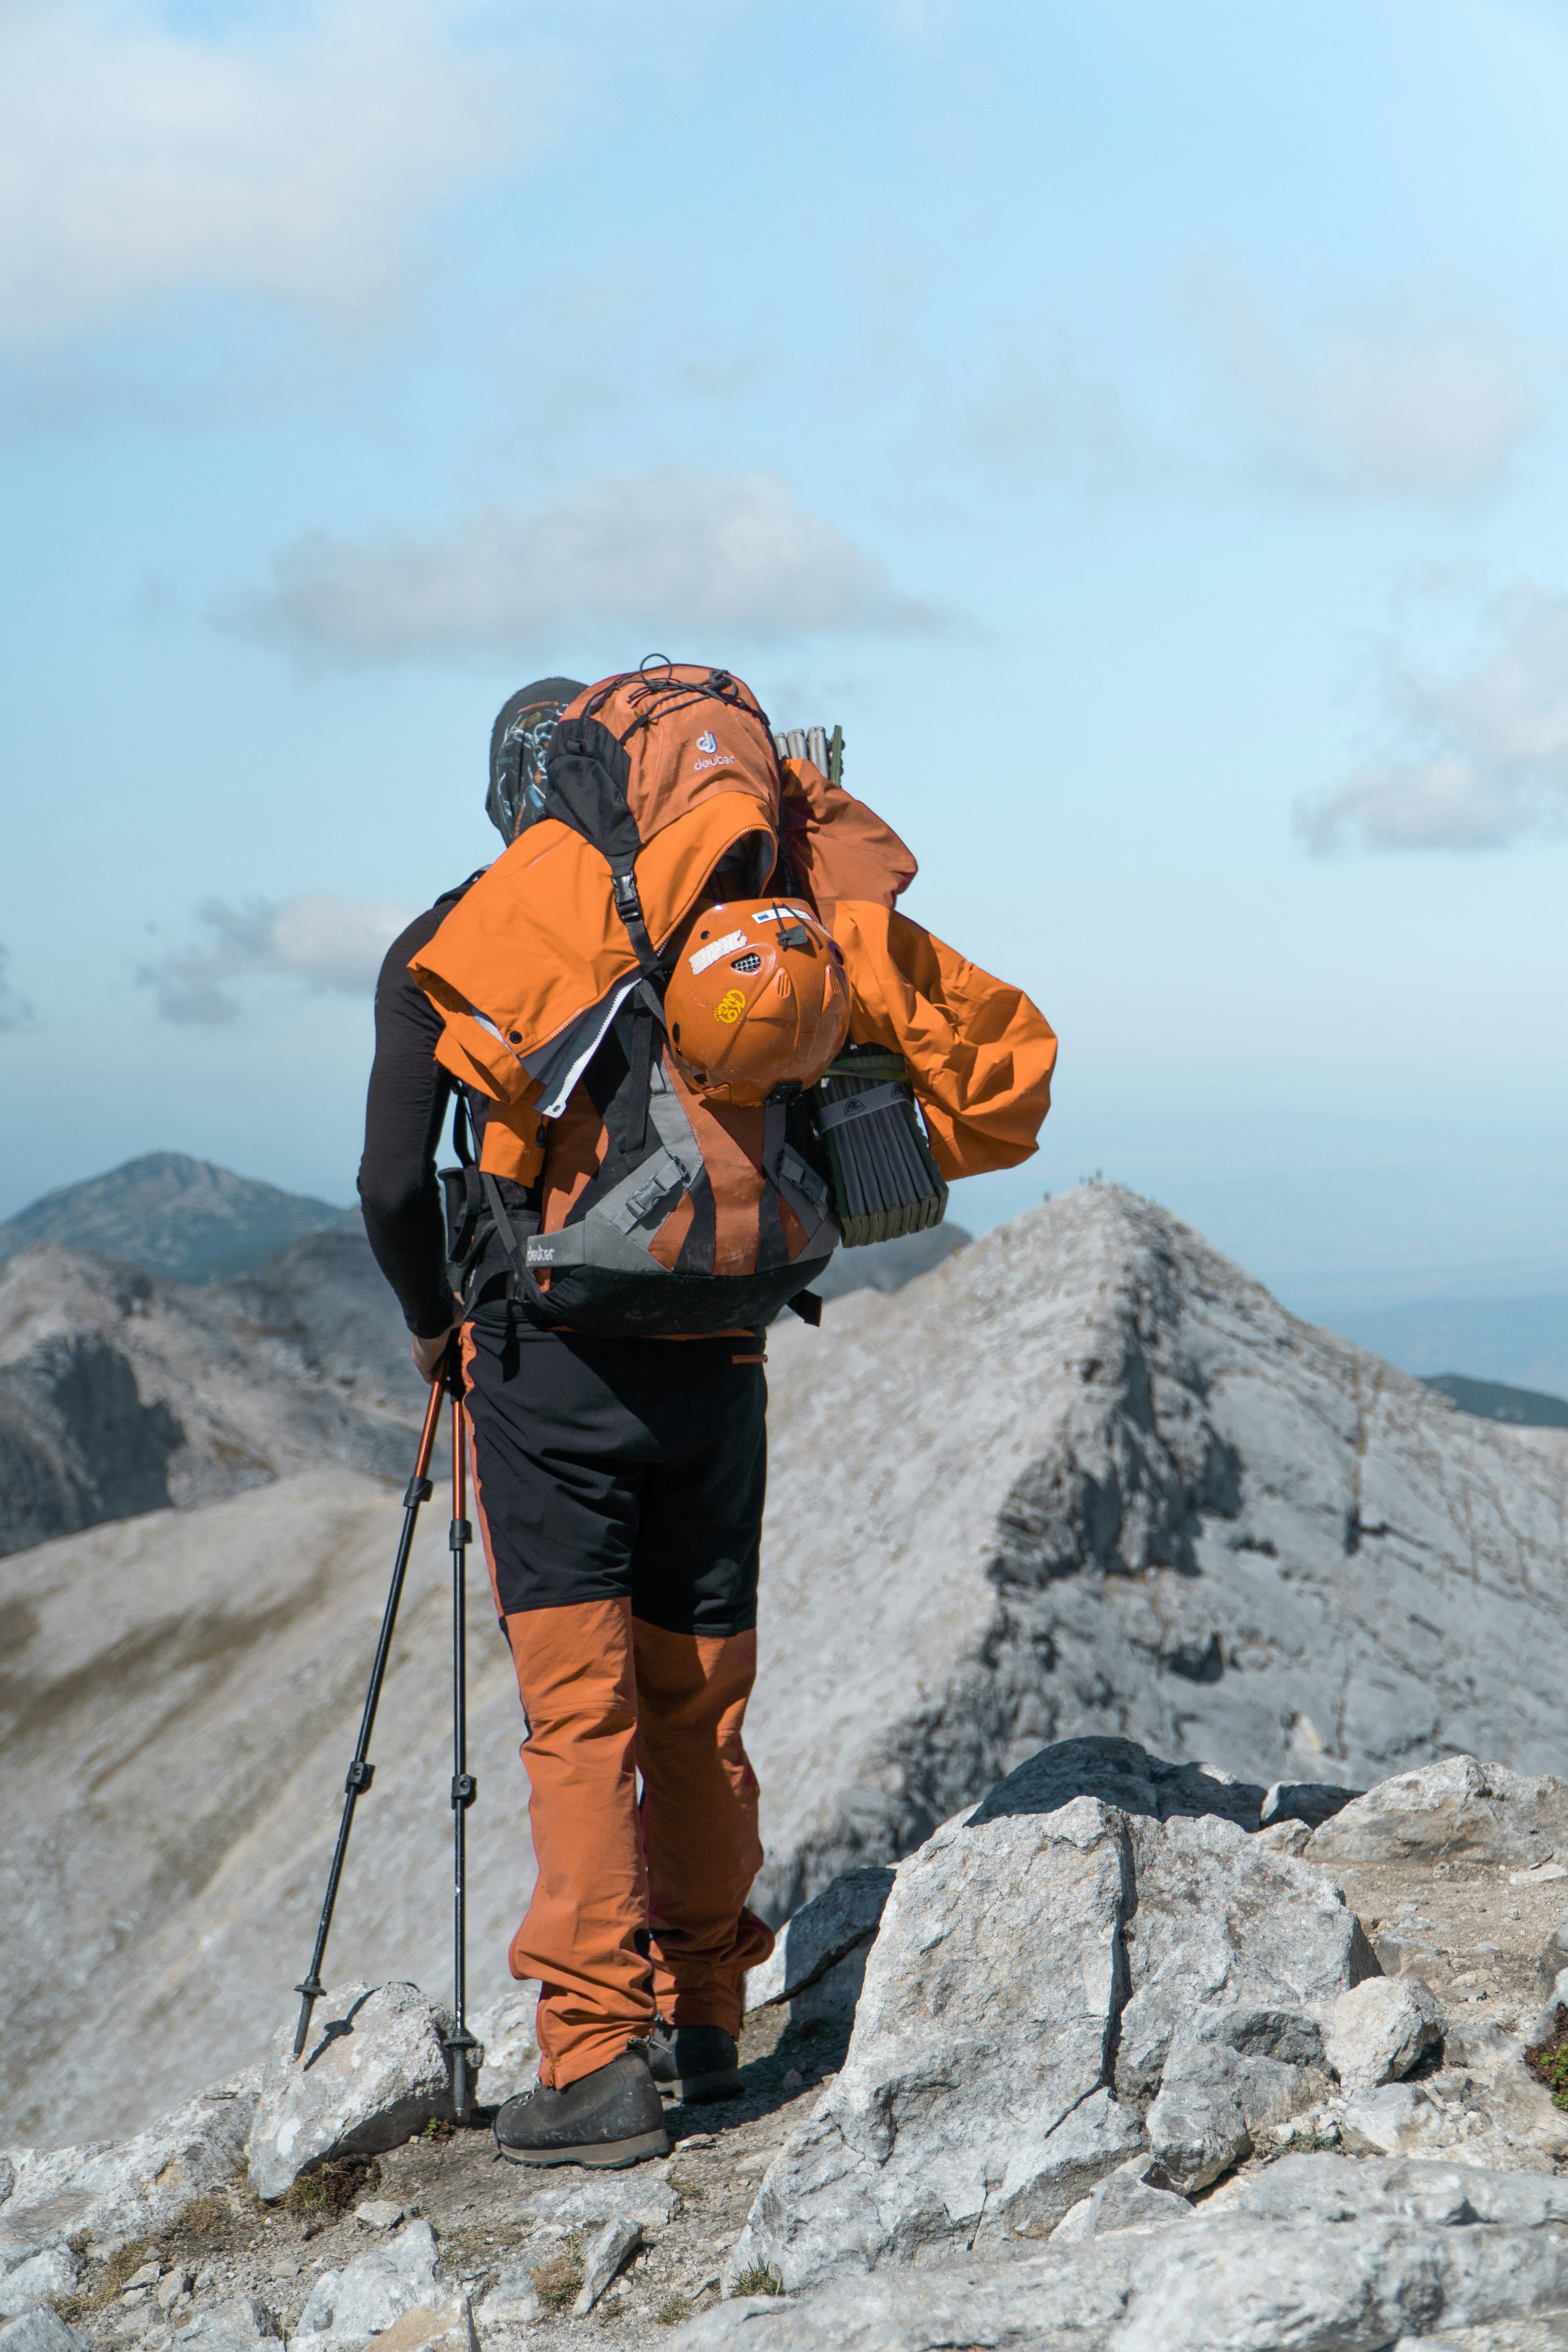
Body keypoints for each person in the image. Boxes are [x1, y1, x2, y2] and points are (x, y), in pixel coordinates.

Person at [359, 676, 777, 2168]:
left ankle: (597, 2059)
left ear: (510, 789)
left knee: (580, 1714)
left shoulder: (456, 940)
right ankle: (715, 2020)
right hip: (720, 1355)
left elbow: (399, 1188)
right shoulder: (723, 905)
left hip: (546, 1375)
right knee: (697, 1700)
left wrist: (435, 1327)